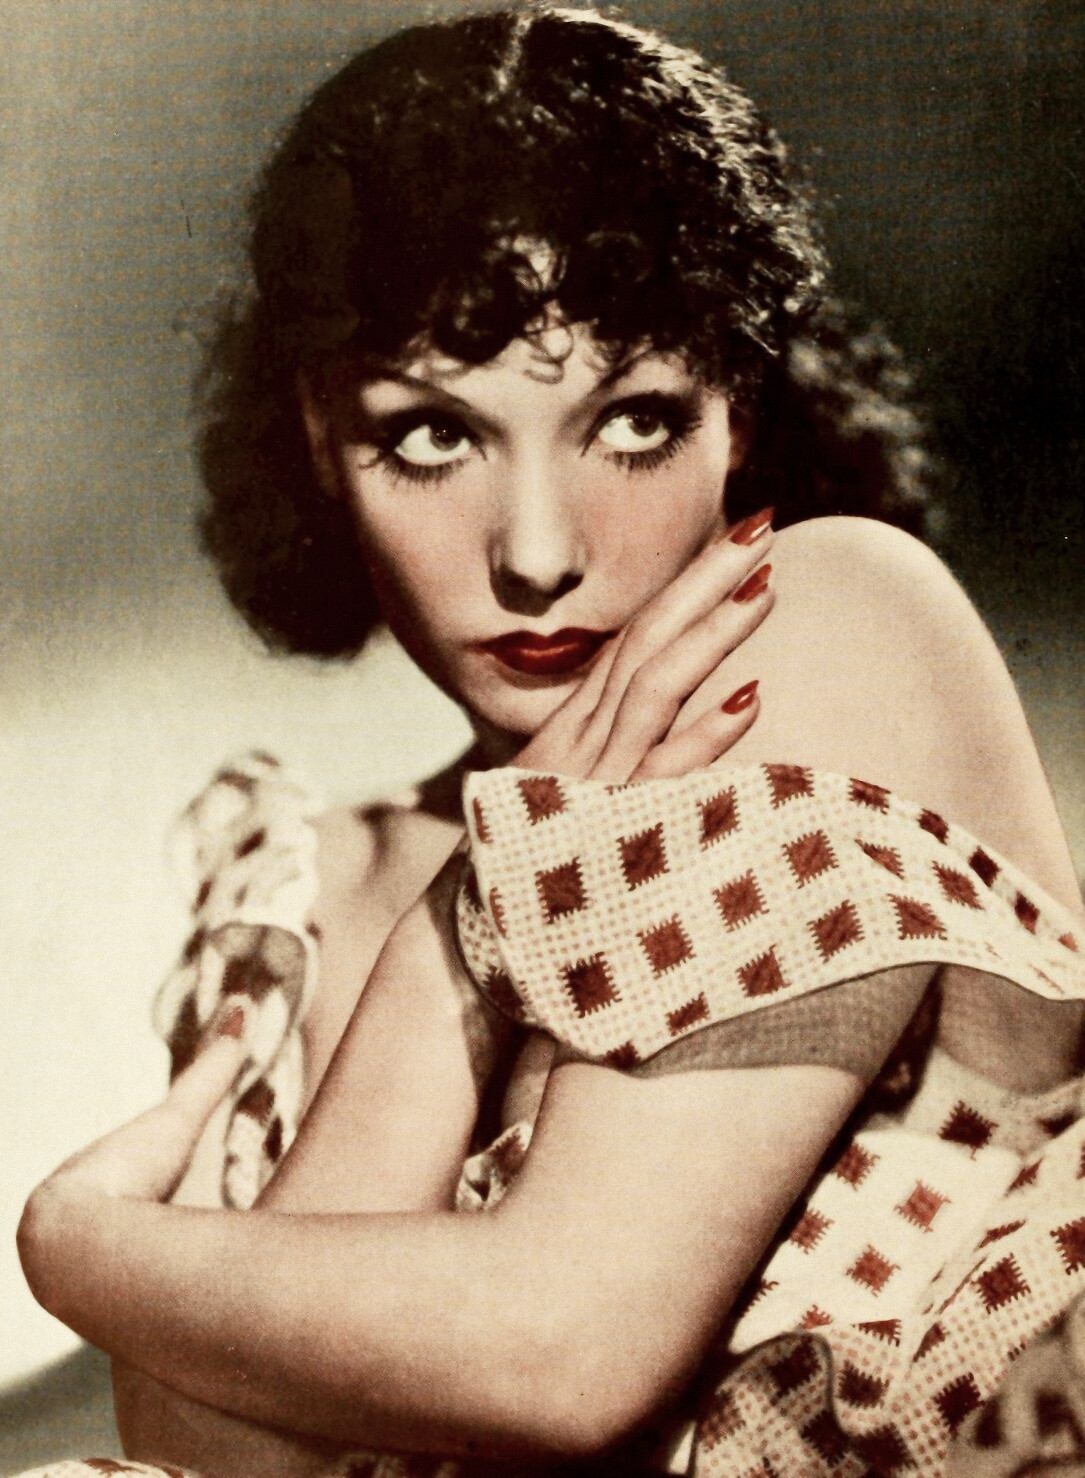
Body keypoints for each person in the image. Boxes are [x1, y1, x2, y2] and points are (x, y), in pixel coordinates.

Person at [15, 8, 1085, 1477]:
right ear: (321, 434)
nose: (535, 553)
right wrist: (447, 941)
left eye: (633, 421)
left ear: (736, 409)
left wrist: (74, 1240)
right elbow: (230, 1459)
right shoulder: (309, 892)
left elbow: (565, 1348)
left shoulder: (830, 621)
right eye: (433, 436)